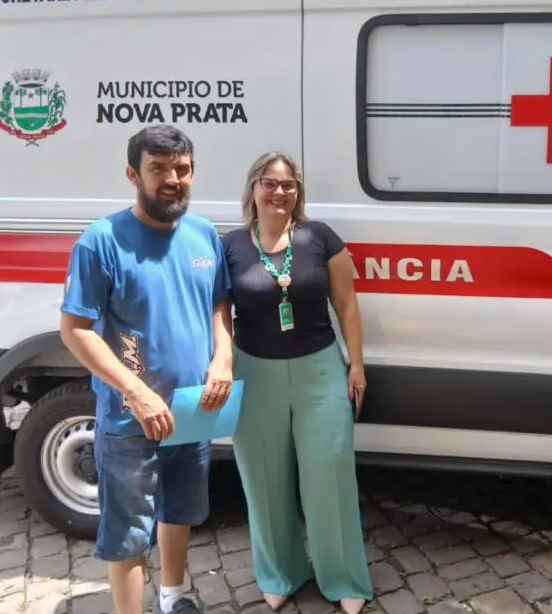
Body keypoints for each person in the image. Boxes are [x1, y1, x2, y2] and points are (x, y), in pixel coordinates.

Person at [59, 125, 234, 614]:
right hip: (130, 417)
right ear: (133, 174)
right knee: (129, 532)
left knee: (179, 510)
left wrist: (223, 357)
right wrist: (135, 391)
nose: (172, 179)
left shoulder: (203, 235)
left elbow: (219, 305)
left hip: (192, 408)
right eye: (158, 169)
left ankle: (173, 596)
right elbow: (75, 329)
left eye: (182, 169)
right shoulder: (102, 241)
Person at [219, 151, 373, 614]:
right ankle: (280, 573)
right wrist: (221, 364)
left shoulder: (320, 238)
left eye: (288, 184)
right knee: (263, 479)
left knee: (330, 473)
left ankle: (344, 577)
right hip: (254, 372)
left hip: (319, 369)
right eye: (269, 183)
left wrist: (357, 365)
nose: (279, 192)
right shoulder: (230, 246)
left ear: (298, 192)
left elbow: (347, 305)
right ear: (253, 188)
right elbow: (220, 314)